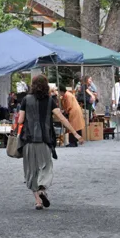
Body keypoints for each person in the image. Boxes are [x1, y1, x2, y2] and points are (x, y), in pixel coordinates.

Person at [17, 76, 82, 210]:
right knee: (45, 167)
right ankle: (42, 189)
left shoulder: (26, 100)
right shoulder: (50, 101)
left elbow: (20, 120)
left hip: (28, 140)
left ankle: (38, 201)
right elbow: (62, 119)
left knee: (31, 171)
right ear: (46, 86)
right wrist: (75, 133)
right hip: (45, 140)